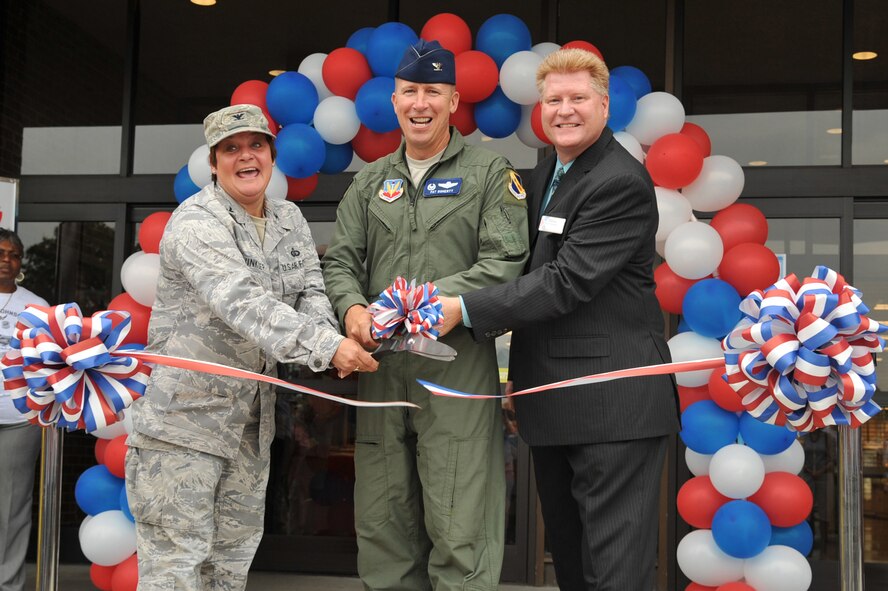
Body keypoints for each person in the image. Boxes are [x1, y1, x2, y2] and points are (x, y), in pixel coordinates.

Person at [437, 48, 679, 590]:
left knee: (614, 575)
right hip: (553, 400)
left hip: (613, 408)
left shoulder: (618, 180)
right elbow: (529, 263)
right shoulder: (550, 168)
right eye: (553, 100)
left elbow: (565, 282)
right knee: (572, 568)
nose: (564, 110)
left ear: (604, 106)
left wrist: (463, 308)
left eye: (577, 99)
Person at [125, 104, 378, 591]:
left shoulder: (288, 217)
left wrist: (331, 336)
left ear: (272, 155)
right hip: (184, 428)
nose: (246, 156)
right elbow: (239, 300)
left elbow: (311, 290)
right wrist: (326, 347)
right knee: (175, 570)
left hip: (249, 427)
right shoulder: (196, 221)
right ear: (213, 162)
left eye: (256, 145)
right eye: (231, 149)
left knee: (228, 569)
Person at [322, 39, 530, 591]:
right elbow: (340, 261)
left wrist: (423, 302)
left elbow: (506, 260)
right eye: (410, 91)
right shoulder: (369, 182)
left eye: (433, 92)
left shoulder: (489, 173)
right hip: (382, 373)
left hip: (454, 371)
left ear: (453, 100)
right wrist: (353, 309)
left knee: (460, 527)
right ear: (394, 101)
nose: (421, 103)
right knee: (383, 525)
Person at [0, 228, 49, 591]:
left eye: (14, 255)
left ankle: (8, 584)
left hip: (19, 419)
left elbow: (49, 362)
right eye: (0, 253)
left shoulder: (37, 307)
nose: (7, 260)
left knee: (12, 507)